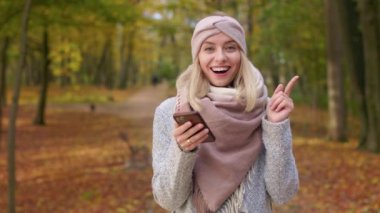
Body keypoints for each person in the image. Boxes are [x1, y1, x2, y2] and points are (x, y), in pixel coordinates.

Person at [152, 13, 299, 213]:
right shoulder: (170, 112)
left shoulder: (269, 110)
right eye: (209, 48)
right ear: (198, 57)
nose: (220, 57)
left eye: (230, 47)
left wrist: (275, 128)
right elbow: (168, 200)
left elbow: (283, 193)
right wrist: (182, 151)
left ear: (241, 54)